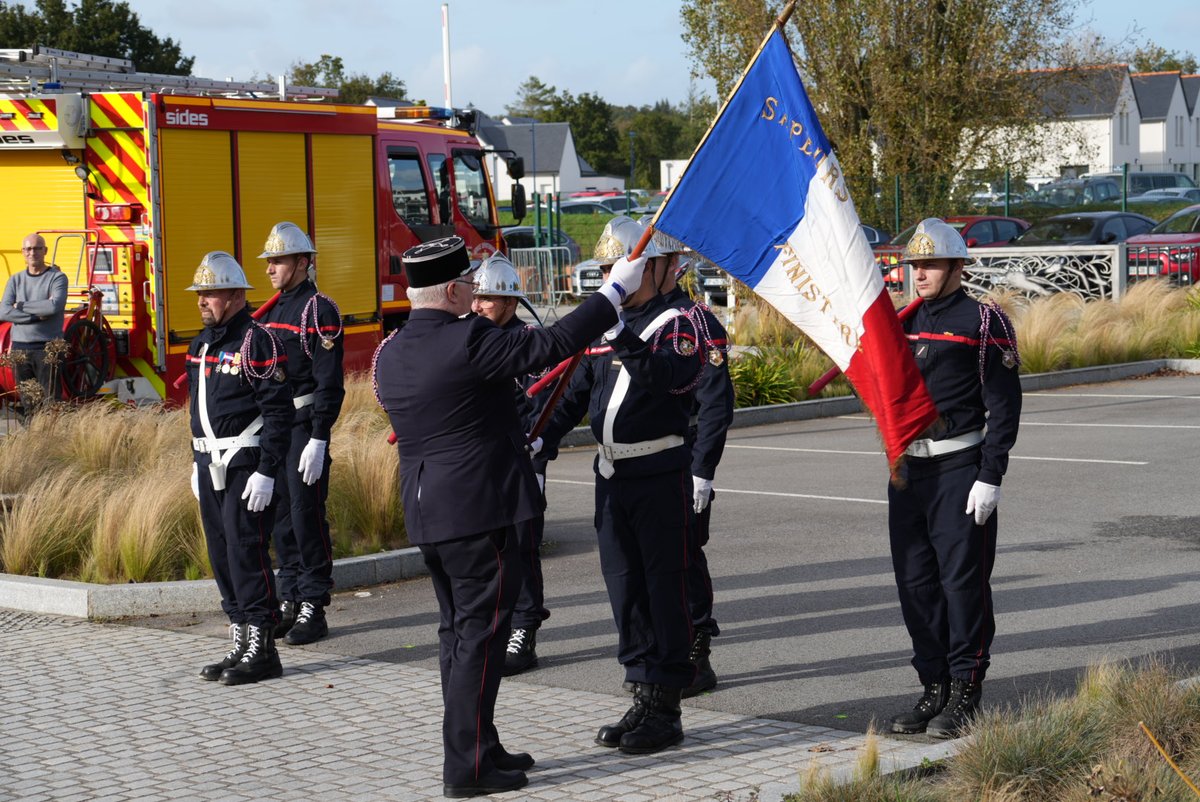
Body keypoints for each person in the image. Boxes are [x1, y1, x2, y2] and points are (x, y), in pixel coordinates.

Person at [373, 235, 642, 798]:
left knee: (458, 635)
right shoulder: (470, 339)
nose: (475, 296)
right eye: (469, 286)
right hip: (480, 511)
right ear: (450, 290)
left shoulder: (390, 351)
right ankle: (466, 767)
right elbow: (554, 342)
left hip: (428, 512)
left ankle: (479, 742)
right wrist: (615, 290)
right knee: (479, 639)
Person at [537, 216, 703, 755]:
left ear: (657, 268)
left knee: (663, 590)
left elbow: (666, 380)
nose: (617, 275)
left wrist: (619, 335)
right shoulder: (612, 327)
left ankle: (668, 706)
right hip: (611, 477)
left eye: (626, 266)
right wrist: (541, 438)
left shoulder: (680, 322)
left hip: (659, 474)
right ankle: (642, 690)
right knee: (624, 589)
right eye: (609, 268)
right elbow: (572, 392)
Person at [885, 218, 1022, 739]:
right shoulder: (901, 322)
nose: (920, 274)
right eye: (915, 265)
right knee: (915, 583)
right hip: (908, 470)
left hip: (960, 467)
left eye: (931, 264)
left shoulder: (984, 321)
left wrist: (991, 474)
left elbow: (1004, 406)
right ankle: (933, 684)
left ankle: (966, 686)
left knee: (961, 583)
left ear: (957, 266)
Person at [186, 251, 294, 687]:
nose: (202, 301)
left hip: (246, 464)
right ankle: (240, 636)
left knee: (246, 553)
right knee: (221, 554)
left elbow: (279, 412)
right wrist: (194, 461)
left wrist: (268, 471)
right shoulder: (202, 343)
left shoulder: (257, 341)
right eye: (200, 294)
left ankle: (262, 649)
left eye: (210, 293)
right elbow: (197, 408)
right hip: (208, 461)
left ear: (234, 296)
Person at [650, 228, 734, 698]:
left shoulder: (697, 323)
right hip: (642, 465)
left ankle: (697, 655)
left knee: (684, 561)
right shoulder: (635, 319)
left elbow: (716, 403)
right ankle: (660, 654)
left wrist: (704, 470)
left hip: (684, 460)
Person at [257, 222, 345, 646]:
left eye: (278, 261)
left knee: (307, 517)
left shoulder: (318, 309)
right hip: (276, 430)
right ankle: (290, 598)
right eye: (269, 261)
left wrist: (319, 436)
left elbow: (329, 381)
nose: (270, 268)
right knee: (280, 520)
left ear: (302, 262)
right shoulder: (273, 310)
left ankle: (313, 604)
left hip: (304, 428)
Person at [469, 254, 547, 677]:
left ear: (511, 303)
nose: (479, 305)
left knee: (522, 546)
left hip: (523, 456)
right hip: (482, 459)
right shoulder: (471, 338)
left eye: (489, 299)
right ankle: (496, 628)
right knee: (487, 548)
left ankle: (525, 628)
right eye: (476, 297)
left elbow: (545, 402)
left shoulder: (529, 342)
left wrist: (538, 446)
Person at [0, 233, 68, 416]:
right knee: (29, 403)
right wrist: (34, 317)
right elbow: (4, 311)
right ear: (23, 252)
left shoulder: (57, 278)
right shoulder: (15, 279)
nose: (33, 252)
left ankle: (54, 441)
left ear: (45, 251)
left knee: (51, 403)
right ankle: (35, 441)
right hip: (20, 350)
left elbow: (54, 306)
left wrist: (20, 306)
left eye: (37, 248)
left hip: (48, 349)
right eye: (28, 249)